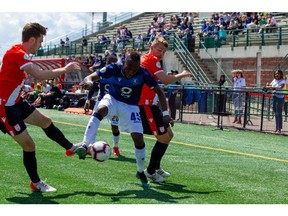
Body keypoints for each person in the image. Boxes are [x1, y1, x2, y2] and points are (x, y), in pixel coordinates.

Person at [0, 22, 86, 193]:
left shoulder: (19, 51)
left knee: (46, 121)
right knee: (29, 146)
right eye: (40, 42)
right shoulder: (18, 54)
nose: (40, 46)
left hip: (15, 101)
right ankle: (36, 183)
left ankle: (70, 148)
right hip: (5, 107)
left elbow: (34, 75)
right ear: (32, 40)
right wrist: (65, 69)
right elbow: (39, 74)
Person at [74, 51, 171, 188]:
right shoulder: (114, 67)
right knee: (100, 110)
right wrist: (89, 81)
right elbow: (92, 76)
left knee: (138, 138)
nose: (131, 72)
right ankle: (85, 145)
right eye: (129, 68)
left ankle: (140, 171)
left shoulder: (143, 73)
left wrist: (165, 113)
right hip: (112, 100)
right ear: (124, 62)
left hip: (131, 107)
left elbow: (159, 91)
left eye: (134, 69)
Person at [139, 36, 192, 183]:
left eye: (163, 51)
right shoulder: (151, 60)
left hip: (152, 103)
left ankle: (155, 166)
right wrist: (182, 74)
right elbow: (165, 80)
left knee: (169, 134)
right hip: (146, 104)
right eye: (159, 50)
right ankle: (150, 170)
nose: (161, 53)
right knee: (163, 138)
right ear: (152, 47)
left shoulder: (148, 59)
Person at [82, 55, 121, 156]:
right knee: (94, 122)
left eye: (113, 62)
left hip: (113, 102)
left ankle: (116, 146)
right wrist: (88, 100)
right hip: (101, 101)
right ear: (106, 62)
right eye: (109, 62)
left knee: (114, 126)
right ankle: (88, 145)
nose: (111, 64)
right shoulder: (102, 73)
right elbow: (93, 87)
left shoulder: (119, 73)